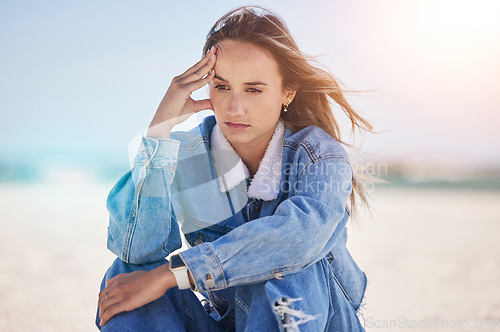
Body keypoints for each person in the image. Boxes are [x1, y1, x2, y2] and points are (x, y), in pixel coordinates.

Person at [96, 5, 373, 331]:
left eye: (253, 89)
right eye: (222, 86)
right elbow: (137, 249)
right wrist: (160, 132)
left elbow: (295, 241)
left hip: (310, 320)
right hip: (232, 323)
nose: (235, 107)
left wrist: (175, 274)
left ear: (288, 91)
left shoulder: (320, 157)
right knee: (127, 274)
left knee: (288, 267)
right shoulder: (191, 153)